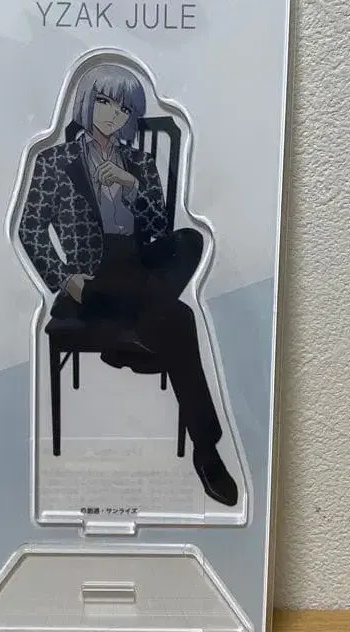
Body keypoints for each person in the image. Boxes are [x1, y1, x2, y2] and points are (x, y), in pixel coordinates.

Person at [18, 63, 238, 506]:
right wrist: (66, 280)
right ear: (86, 102)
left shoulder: (139, 162)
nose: (112, 115)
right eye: (103, 101)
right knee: (178, 317)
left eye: (123, 109)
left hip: (137, 270)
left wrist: (133, 186)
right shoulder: (55, 161)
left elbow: (158, 229)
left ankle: (128, 333)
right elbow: (30, 229)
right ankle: (207, 450)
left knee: (190, 241)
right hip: (91, 277)